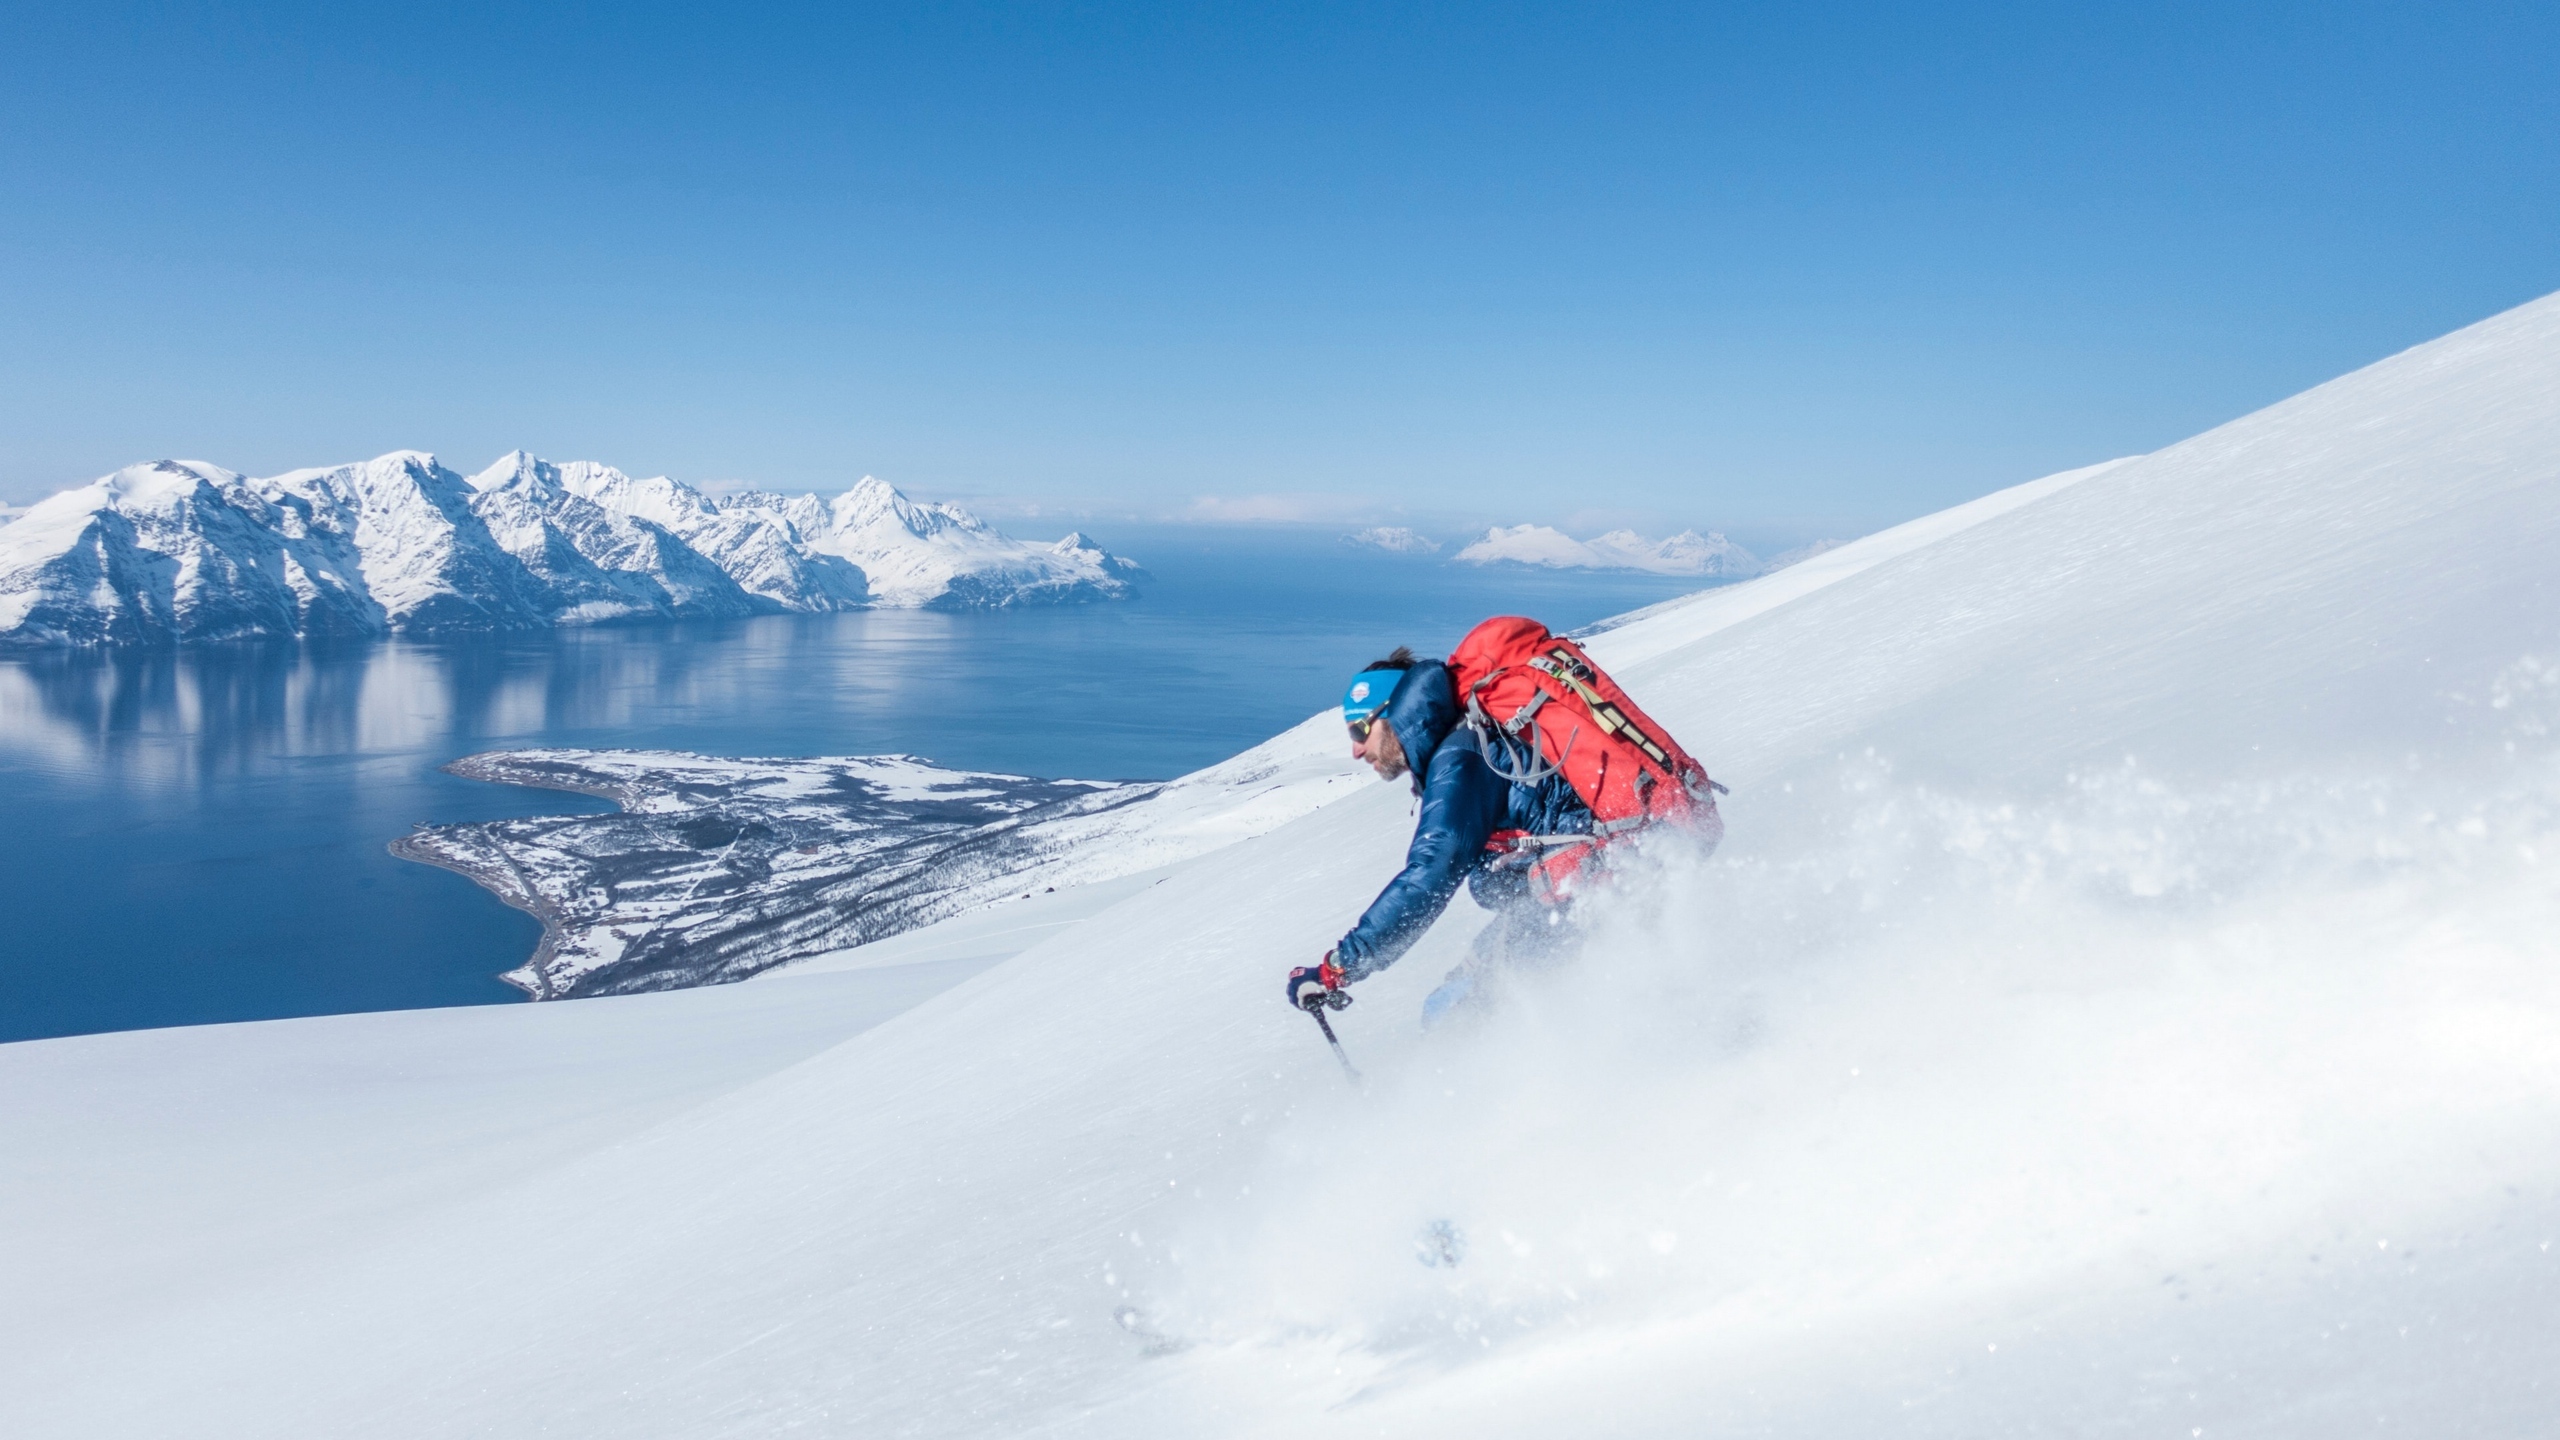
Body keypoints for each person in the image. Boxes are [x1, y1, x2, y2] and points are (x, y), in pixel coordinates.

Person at [1285, 645, 1598, 1029]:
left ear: (1394, 715)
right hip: (1577, 891)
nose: (1355, 749)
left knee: (1463, 1019)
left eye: (1359, 729)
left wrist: (1337, 968)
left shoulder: (1460, 760)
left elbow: (1429, 875)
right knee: (1453, 1001)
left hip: (1591, 893)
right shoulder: (1467, 748)